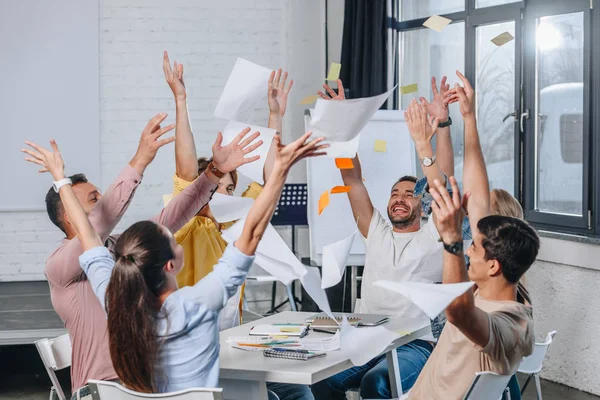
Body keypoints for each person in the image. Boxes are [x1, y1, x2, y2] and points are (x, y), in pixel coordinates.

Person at [24, 132, 326, 394]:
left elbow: (169, 217)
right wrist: (139, 160)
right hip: (106, 392)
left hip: (149, 389)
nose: (104, 203)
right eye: (94, 200)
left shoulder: (113, 277)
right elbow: (252, 233)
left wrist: (214, 172)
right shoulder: (59, 265)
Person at [311, 77, 456, 399]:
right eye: (395, 193)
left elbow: (443, 185)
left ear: (425, 204)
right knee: (321, 381)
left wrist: (442, 123)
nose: (400, 198)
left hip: (416, 343)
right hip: (368, 337)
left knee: (375, 383)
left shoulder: (436, 232)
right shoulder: (375, 230)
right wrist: (343, 123)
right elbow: (351, 176)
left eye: (410, 194)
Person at [406, 71, 538, 399]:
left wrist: (451, 239)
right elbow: (478, 196)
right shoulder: (496, 291)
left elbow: (460, 312)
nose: (468, 251)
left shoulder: (510, 324)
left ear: (493, 265)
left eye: (473, 249)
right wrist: (468, 118)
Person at [162, 52, 292, 330]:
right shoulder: (185, 224)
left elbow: (269, 182)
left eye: (230, 188)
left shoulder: (233, 224)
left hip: (231, 333)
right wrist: (181, 101)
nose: (225, 194)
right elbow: (186, 172)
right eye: (216, 186)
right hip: (186, 335)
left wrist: (275, 117)